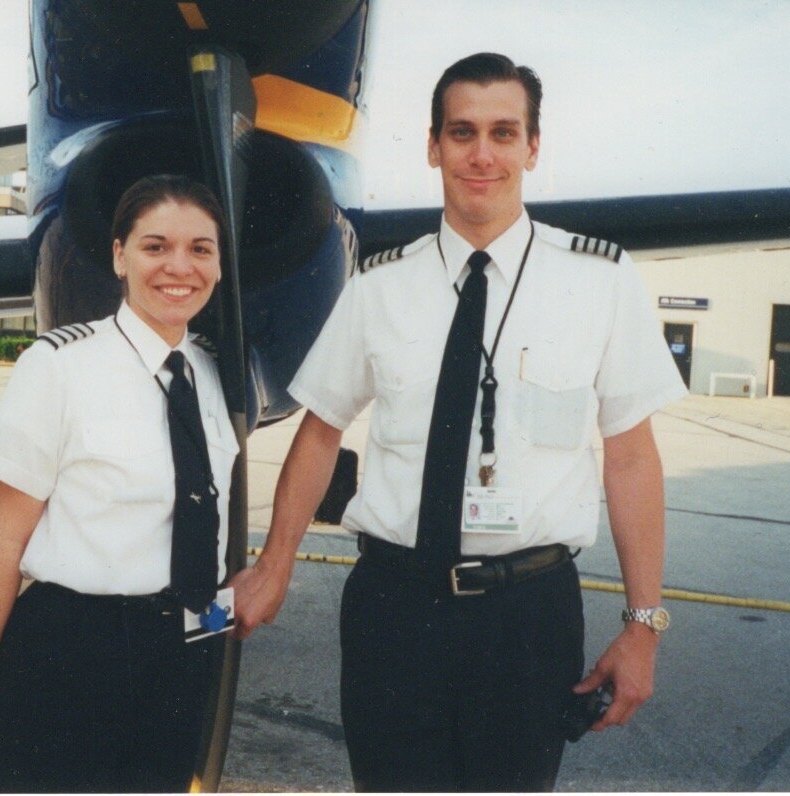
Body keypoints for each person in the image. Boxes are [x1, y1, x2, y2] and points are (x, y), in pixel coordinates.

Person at [230, 52, 686, 791]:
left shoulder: (599, 282)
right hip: (394, 609)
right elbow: (320, 431)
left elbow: (631, 458)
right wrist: (274, 564)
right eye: (462, 132)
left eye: (504, 133)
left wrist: (644, 626)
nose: (482, 154)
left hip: (527, 617)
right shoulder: (379, 285)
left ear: (533, 147)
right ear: (433, 145)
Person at [0, 175, 239, 793]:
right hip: (68, 653)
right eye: (155, 246)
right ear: (119, 256)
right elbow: (3, 544)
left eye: (200, 249)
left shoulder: (211, 372)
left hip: (178, 657)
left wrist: (213, 634)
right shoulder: (58, 365)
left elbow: (202, 538)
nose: (178, 267)